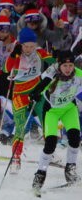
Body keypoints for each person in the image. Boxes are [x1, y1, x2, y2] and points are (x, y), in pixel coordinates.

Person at [2, 26, 52, 173]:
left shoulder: (39, 51)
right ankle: (16, 157)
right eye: (26, 46)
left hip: (37, 92)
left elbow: (54, 61)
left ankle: (50, 150)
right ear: (21, 44)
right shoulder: (16, 54)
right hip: (20, 93)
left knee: (46, 120)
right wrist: (13, 55)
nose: (29, 49)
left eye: (32, 46)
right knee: (20, 125)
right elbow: (5, 69)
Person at [30, 50, 80, 192]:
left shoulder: (77, 74)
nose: (68, 69)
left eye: (71, 65)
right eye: (65, 65)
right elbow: (42, 84)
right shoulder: (52, 73)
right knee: (51, 143)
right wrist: (35, 94)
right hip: (51, 111)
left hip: (69, 109)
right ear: (59, 65)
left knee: (75, 139)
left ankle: (70, 169)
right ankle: (41, 173)